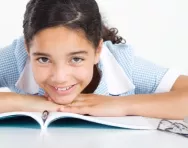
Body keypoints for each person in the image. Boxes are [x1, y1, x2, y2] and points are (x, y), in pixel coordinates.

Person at [0, 0, 188, 119]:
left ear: (98, 50)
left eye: (76, 59)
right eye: (43, 59)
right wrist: (26, 102)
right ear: (27, 48)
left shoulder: (120, 65)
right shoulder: (17, 58)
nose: (59, 77)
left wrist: (120, 105)